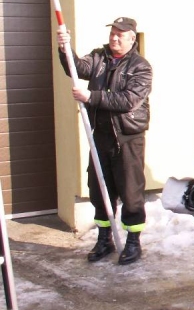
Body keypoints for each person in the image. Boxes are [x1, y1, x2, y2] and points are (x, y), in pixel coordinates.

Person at [56, 17, 152, 265]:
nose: (114, 38)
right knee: (100, 189)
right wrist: (65, 48)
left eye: (120, 34)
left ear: (132, 38)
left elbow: (128, 100)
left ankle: (133, 241)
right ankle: (104, 238)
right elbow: (77, 68)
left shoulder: (140, 67)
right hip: (100, 136)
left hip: (127, 138)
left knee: (130, 191)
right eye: (112, 33)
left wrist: (91, 97)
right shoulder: (99, 57)